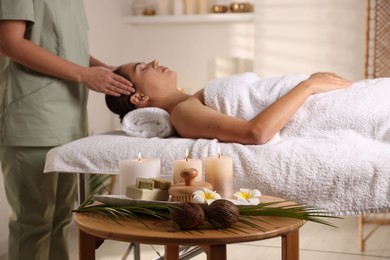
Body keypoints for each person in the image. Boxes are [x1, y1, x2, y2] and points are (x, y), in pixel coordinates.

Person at [0, 1, 134, 259]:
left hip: (69, 121)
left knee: (61, 218)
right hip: (32, 120)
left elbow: (69, 51)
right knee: (34, 223)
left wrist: (106, 71)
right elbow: (9, 43)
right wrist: (84, 75)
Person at [106, 60, 355, 145]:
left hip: (331, 95)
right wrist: (309, 85)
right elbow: (256, 133)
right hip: (323, 101)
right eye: (142, 68)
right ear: (139, 98)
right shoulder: (183, 113)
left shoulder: (192, 101)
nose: (153, 61)